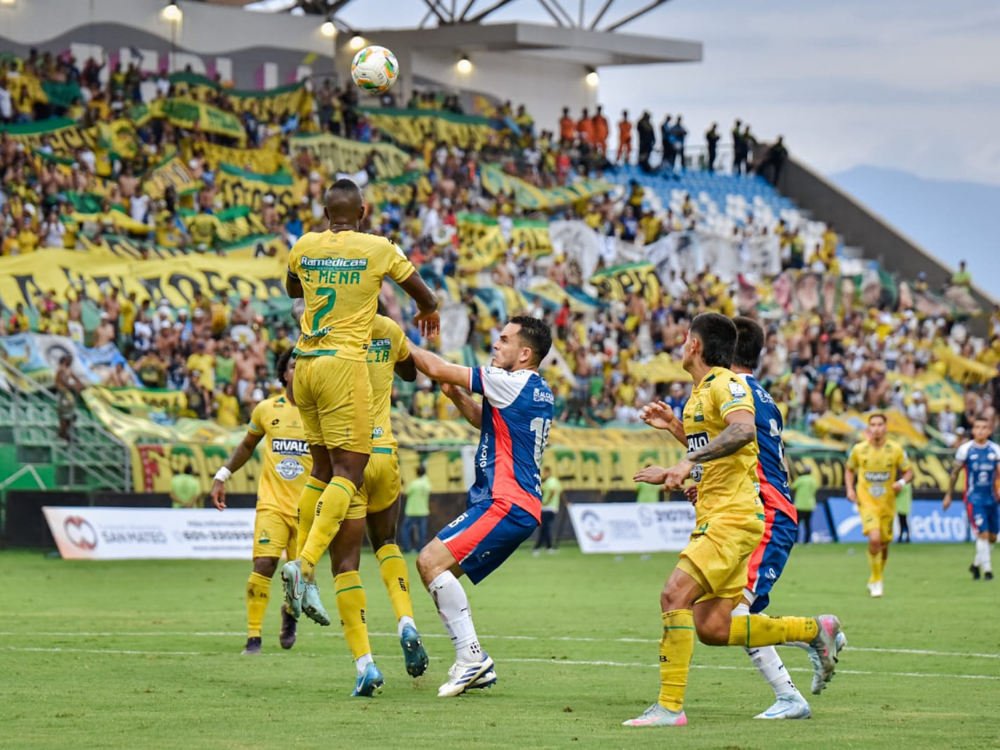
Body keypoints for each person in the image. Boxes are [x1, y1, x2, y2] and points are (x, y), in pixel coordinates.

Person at [625, 313, 840, 728]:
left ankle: (671, 707)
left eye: (686, 337)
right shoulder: (707, 393)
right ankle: (813, 631)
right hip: (732, 511)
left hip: (743, 514)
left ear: (697, 347)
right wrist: (679, 440)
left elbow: (742, 434)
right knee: (713, 626)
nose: (681, 342)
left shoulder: (730, 386)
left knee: (675, 597)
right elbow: (725, 451)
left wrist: (687, 462)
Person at [279, 178, 439, 627]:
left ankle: (300, 560)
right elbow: (425, 296)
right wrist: (428, 311)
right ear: (363, 212)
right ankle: (304, 566)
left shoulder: (304, 244)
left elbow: (295, 290)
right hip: (340, 364)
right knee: (350, 469)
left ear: (326, 211)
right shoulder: (378, 247)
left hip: (304, 363)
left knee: (322, 470)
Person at [405, 316, 554, 698]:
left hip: (504, 501)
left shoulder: (510, 381)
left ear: (524, 353)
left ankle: (472, 658)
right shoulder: (536, 389)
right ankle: (473, 662)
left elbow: (436, 367)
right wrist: (457, 397)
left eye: (504, 340)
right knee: (438, 570)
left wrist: (394, 336)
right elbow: (486, 421)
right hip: (516, 504)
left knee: (428, 562)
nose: (495, 345)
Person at [305, 314, 430, 696]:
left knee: (345, 565)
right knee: (388, 545)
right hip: (385, 456)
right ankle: (406, 621)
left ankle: (366, 666)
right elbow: (410, 374)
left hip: (349, 461)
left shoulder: (331, 331)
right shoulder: (389, 330)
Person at [210, 350, 306, 654]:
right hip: (272, 505)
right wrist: (222, 475)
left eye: (304, 366)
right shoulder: (267, 409)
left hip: (309, 509)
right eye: (293, 366)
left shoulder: (321, 411)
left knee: (300, 577)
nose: (299, 371)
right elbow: (247, 445)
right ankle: (253, 638)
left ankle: (290, 614)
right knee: (264, 563)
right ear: (283, 374)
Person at [844, 413, 914, 598]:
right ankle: (876, 579)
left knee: (883, 543)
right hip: (867, 502)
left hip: (887, 503)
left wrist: (901, 482)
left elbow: (909, 472)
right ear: (869, 429)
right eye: (872, 425)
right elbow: (849, 470)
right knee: (874, 539)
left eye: (879, 424)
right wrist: (850, 490)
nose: (876, 428)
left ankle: (877, 575)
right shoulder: (859, 450)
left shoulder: (896, 449)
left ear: (885, 428)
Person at [943, 417, 1000, 580]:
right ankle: (988, 571)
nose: (981, 430)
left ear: (989, 431)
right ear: (973, 430)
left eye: (984, 428)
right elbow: (955, 474)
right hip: (974, 499)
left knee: (993, 537)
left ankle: (975, 565)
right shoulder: (965, 450)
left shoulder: (995, 450)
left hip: (992, 498)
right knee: (982, 533)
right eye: (978, 427)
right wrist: (948, 495)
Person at [402, 465, 432, 553]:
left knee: (406, 529)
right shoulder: (427, 483)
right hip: (423, 510)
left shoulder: (414, 483)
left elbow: (406, 493)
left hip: (412, 510)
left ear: (416, 473)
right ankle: (420, 548)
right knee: (422, 531)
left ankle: (407, 548)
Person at [533, 466, 562, 556]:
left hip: (548, 507)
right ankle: (539, 547)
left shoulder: (551, 481)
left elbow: (553, 491)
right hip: (552, 507)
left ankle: (547, 547)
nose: (545, 474)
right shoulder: (555, 481)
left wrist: (546, 502)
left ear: (549, 472)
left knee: (546, 527)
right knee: (544, 528)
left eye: (546, 472)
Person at [54, 355, 84, 442]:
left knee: (70, 415)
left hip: (67, 394)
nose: (70, 362)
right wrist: (73, 386)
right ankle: (62, 433)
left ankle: (67, 433)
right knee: (64, 414)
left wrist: (81, 385)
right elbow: (63, 380)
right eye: (69, 360)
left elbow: (76, 378)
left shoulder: (69, 369)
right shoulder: (61, 369)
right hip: (62, 393)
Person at [790, 466, 819, 544]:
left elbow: (792, 487)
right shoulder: (814, 480)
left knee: (796, 525)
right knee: (808, 524)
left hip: (800, 505)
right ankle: (806, 542)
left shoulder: (801, 479)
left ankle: (795, 541)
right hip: (810, 505)